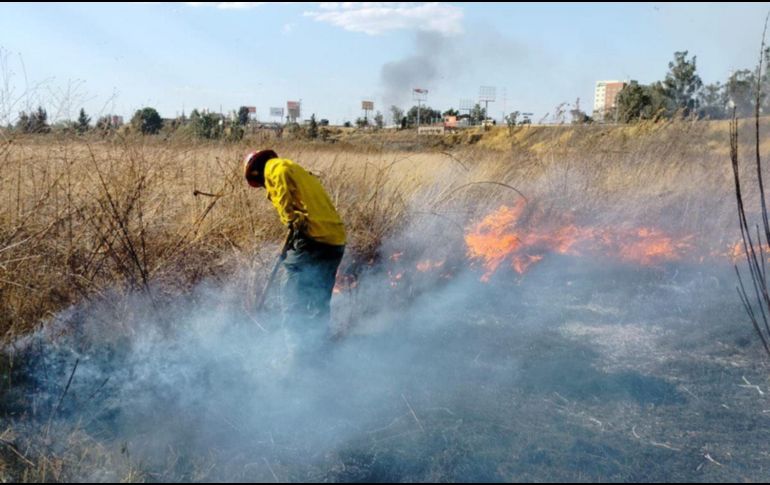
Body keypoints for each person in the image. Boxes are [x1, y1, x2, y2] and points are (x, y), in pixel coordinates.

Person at [243, 149, 346, 339]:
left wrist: (289, 217)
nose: (265, 189)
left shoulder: (274, 167)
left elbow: (281, 183)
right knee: (319, 297)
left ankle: (294, 349)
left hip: (312, 237)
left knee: (291, 289)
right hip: (336, 240)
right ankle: (319, 342)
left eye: (261, 185)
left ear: (256, 171)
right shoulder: (299, 172)